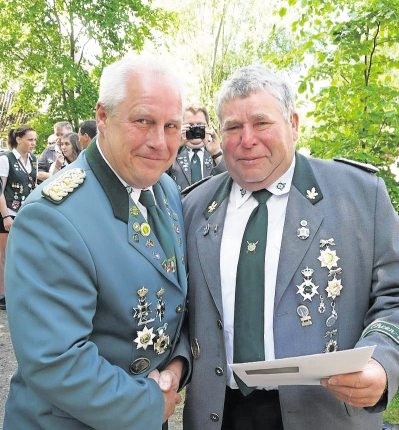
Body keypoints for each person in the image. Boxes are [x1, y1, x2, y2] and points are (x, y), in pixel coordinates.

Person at [182, 64, 399, 430]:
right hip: (219, 414)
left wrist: (384, 364)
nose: (246, 139)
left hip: (326, 413)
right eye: (233, 127)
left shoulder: (359, 196)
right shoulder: (192, 207)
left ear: (293, 124)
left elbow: (394, 296)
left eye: (262, 123)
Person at [3, 54, 190, 429]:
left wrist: (176, 365)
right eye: (143, 121)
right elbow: (56, 361)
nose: (159, 142)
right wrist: (150, 402)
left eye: (171, 126)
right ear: (102, 117)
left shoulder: (165, 190)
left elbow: (176, 298)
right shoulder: (53, 217)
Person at [0, 125, 37, 311]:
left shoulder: (33, 159)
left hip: (25, 213)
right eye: (30, 139)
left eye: (35, 140)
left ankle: (19, 291)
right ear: (19, 139)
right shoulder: (6, 159)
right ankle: (3, 294)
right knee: (5, 255)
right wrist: (5, 215)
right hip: (7, 213)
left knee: (23, 253)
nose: (33, 143)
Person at [167, 104, 225, 192]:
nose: (195, 130)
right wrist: (174, 147)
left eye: (200, 125)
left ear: (208, 127)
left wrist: (216, 153)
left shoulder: (217, 151)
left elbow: (231, 180)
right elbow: (158, 178)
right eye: (190, 126)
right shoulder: (174, 153)